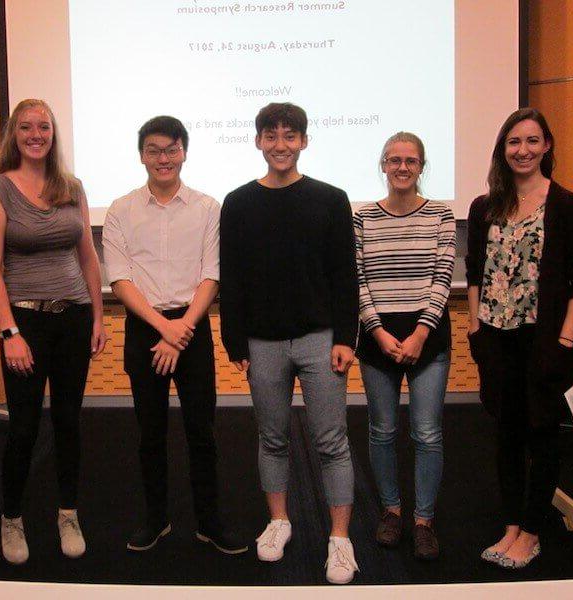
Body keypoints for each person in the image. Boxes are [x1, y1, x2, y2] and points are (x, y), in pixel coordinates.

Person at [220, 102, 359, 584]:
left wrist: (346, 337)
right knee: (272, 437)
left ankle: (340, 539)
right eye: (271, 135)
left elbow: (346, 275)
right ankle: (278, 521)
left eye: (290, 135)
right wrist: (233, 339)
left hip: (321, 339)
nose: (280, 144)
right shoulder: (237, 202)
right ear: (258, 141)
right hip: (262, 342)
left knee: (331, 440)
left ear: (304, 141)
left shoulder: (330, 198)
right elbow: (231, 277)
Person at [102, 115, 246, 555]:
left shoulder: (207, 207)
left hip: (193, 326)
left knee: (202, 432)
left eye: (171, 149)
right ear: (141, 155)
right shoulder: (120, 209)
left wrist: (181, 330)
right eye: (153, 150)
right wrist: (164, 328)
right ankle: (156, 519)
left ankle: (209, 522)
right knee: (150, 433)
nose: (163, 158)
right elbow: (120, 279)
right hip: (146, 327)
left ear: (184, 151)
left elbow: (212, 274)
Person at [0, 99, 107, 564]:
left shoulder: (71, 186)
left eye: (44, 127)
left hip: (72, 317)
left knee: (69, 421)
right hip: (25, 322)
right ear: (14, 132)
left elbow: (88, 255)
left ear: (53, 133)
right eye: (27, 127)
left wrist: (96, 315)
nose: (36, 134)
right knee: (25, 428)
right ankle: (11, 518)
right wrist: (10, 331)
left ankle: (67, 513)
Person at [466, 108, 573, 569]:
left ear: (546, 147)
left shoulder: (564, 204)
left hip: (542, 341)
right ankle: (511, 527)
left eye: (531, 141)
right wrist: (476, 325)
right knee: (506, 436)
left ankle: (533, 531)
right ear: (503, 149)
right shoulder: (485, 206)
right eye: (514, 142)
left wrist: (565, 336)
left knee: (541, 436)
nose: (522, 150)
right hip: (496, 341)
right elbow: (476, 268)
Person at [353, 132, 455, 560]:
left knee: (427, 432)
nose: (401, 167)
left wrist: (419, 334)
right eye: (393, 160)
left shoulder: (441, 215)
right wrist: (377, 332)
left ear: (421, 167)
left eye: (410, 161)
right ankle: (393, 511)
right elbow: (356, 281)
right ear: (382, 165)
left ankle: (423, 520)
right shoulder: (361, 218)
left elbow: (443, 277)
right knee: (382, 430)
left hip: (427, 339)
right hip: (378, 339)